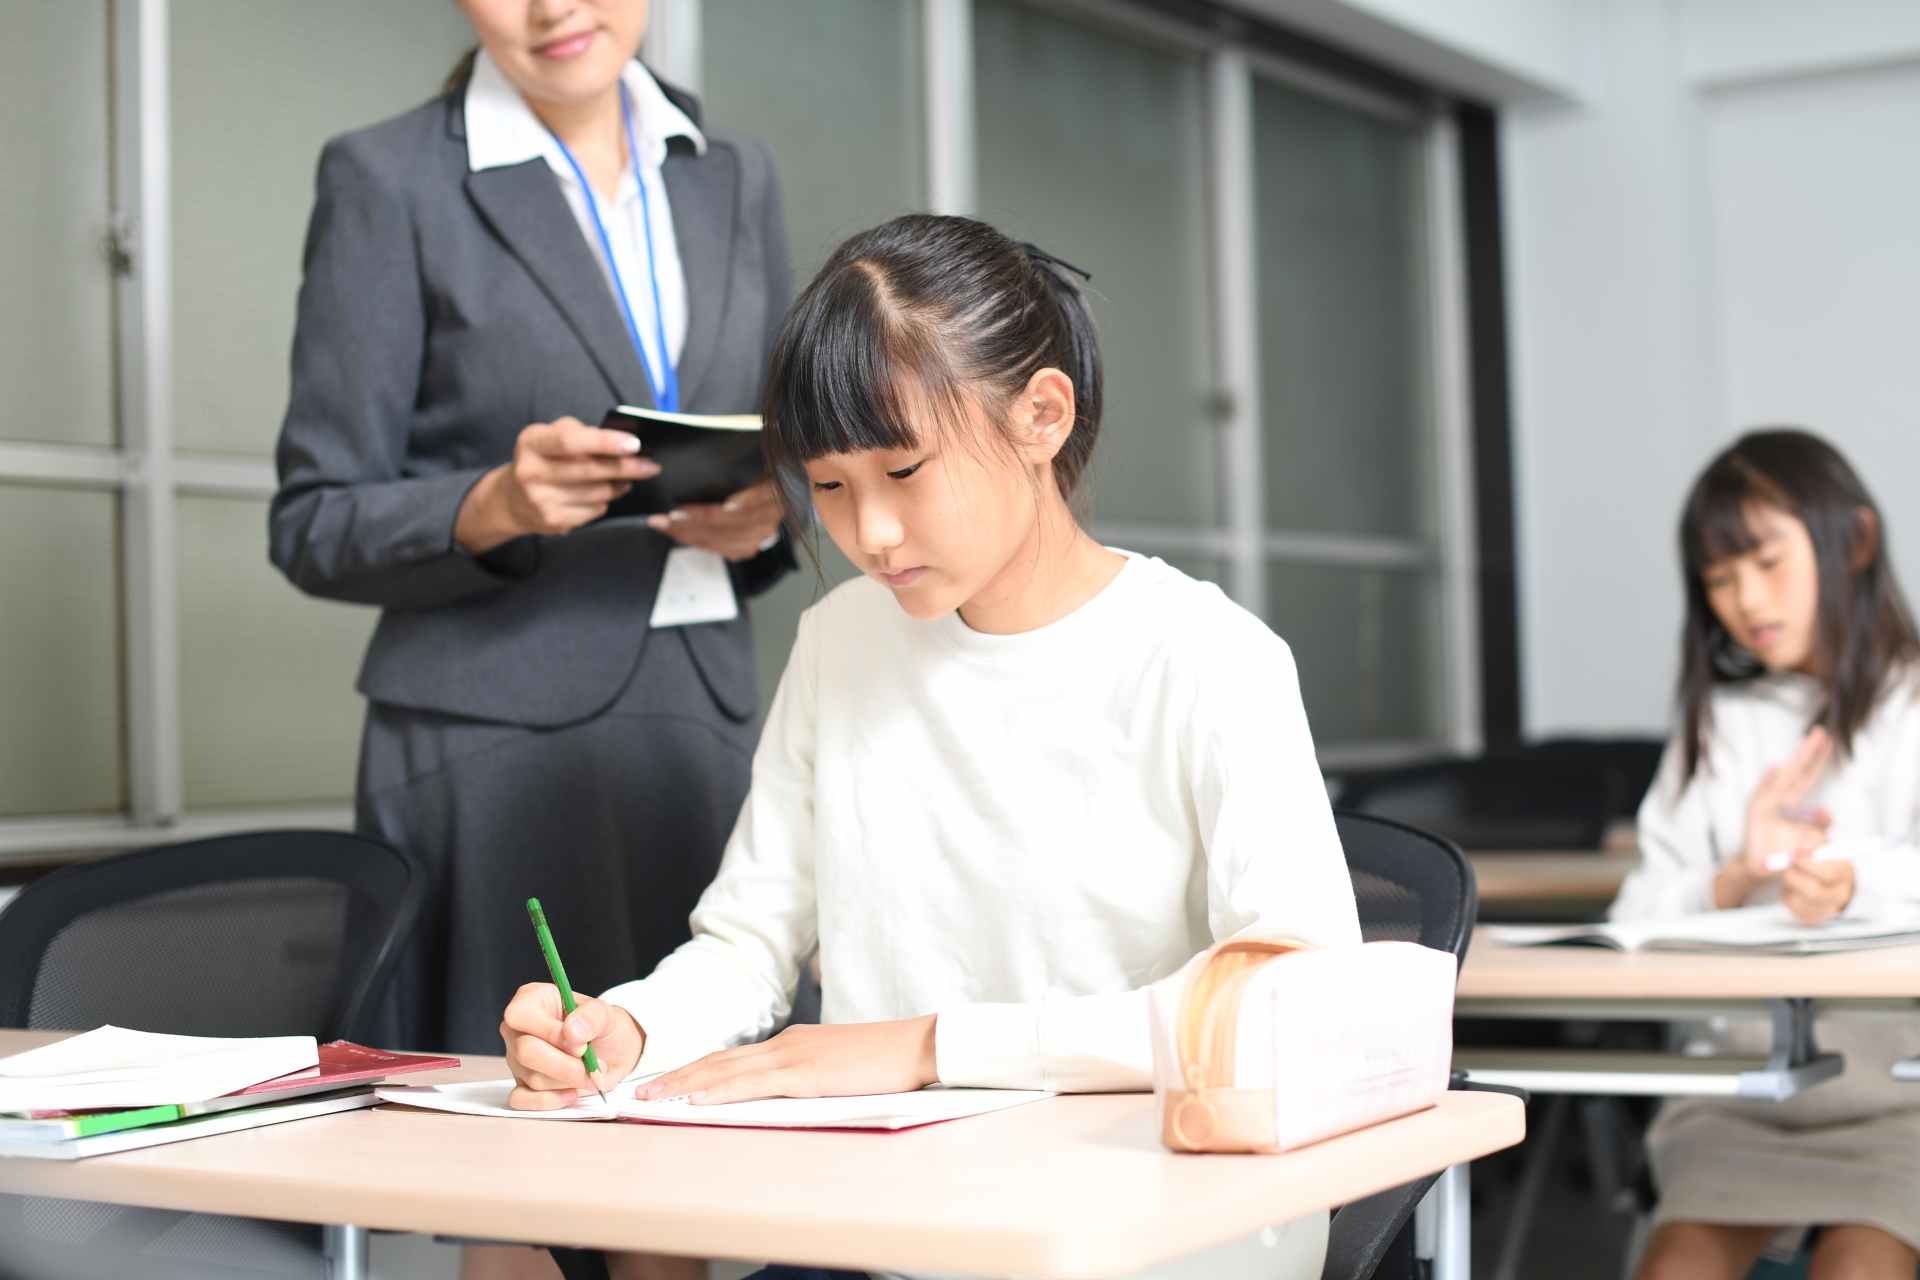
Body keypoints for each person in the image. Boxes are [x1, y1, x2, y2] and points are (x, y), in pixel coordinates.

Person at [501, 215, 1362, 1280]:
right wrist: (629, 1025)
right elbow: (745, 946)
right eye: (828, 486)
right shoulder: (840, 642)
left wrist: (925, 1047)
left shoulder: (1209, 658)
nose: (871, 534)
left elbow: (1289, 1000)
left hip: (1150, 1221)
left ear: (1042, 415)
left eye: (904, 470)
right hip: (892, 1216)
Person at [269, 0, 795, 1083]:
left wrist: (770, 513)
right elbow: (311, 517)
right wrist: (494, 503)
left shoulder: (734, 172)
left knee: (698, 1123)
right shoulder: (391, 178)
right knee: (527, 1139)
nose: (555, 6)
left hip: (700, 722)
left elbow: (785, 442)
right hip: (493, 737)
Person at [1615, 431, 1920, 1280]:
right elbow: (1631, 916)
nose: (1747, 599)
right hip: (1737, 1097)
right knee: (1674, 1267)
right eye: (1719, 578)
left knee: (1862, 1266)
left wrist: (1858, 880)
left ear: (1854, 542)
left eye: (1767, 562)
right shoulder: (1718, 725)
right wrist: (1735, 879)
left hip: (1902, 1098)